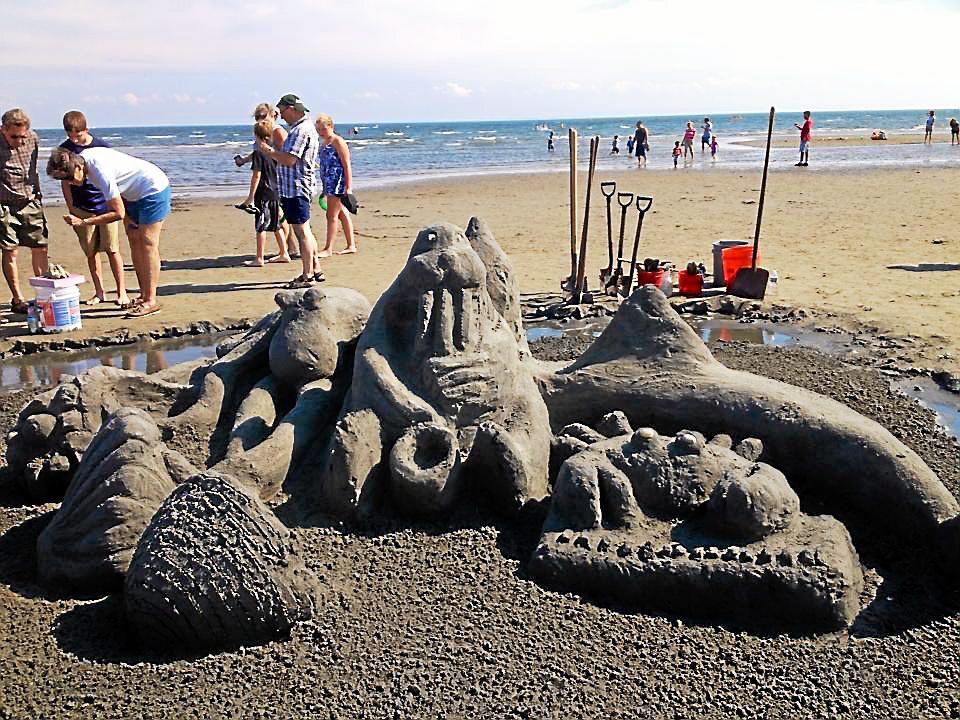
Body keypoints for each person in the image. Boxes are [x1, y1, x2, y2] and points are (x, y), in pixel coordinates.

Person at [47, 145, 170, 318]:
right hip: (131, 193)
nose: (70, 183)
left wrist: (85, 222)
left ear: (78, 167)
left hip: (153, 188)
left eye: (69, 177)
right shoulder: (82, 159)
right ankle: (143, 296)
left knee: (148, 243)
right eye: (64, 179)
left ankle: (151, 300)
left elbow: (118, 213)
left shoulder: (98, 171)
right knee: (135, 240)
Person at [58, 111, 129, 307]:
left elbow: (114, 179)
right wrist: (71, 206)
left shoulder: (102, 147)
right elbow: (65, 182)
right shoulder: (65, 151)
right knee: (91, 251)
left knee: (112, 249)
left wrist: (119, 203)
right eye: (70, 136)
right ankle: (99, 292)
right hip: (81, 206)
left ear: (86, 130)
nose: (75, 140)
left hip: (106, 205)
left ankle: (121, 291)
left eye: (78, 136)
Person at [256, 93, 322, 288]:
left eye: (282, 112)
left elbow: (289, 159)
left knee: (302, 233)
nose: (280, 116)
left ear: (292, 109)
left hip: (297, 188)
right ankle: (315, 268)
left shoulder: (301, 130)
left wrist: (267, 150)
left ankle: (307, 274)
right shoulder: (300, 128)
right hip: (296, 187)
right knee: (305, 230)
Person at [0, 108, 49, 315]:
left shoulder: (32, 139)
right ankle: (18, 299)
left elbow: (34, 167)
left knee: (40, 247)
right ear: (3, 130)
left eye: (23, 136)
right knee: (10, 250)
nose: (19, 141)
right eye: (14, 136)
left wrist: (37, 192)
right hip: (3, 204)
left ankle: (44, 295)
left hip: (29, 200)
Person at [238, 120, 292, 266]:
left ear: (256, 135)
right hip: (275, 192)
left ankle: (259, 258)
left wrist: (250, 197)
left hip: (264, 194)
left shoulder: (258, 153)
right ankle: (284, 253)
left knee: (260, 226)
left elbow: (257, 176)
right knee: (276, 225)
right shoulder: (274, 152)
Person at [315, 114, 356, 256]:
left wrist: (348, 187)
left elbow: (346, 164)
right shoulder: (324, 143)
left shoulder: (338, 141)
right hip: (329, 182)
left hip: (338, 181)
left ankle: (328, 248)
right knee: (342, 213)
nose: (321, 132)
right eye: (318, 129)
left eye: (323, 129)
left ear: (331, 126)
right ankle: (351, 245)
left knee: (331, 215)